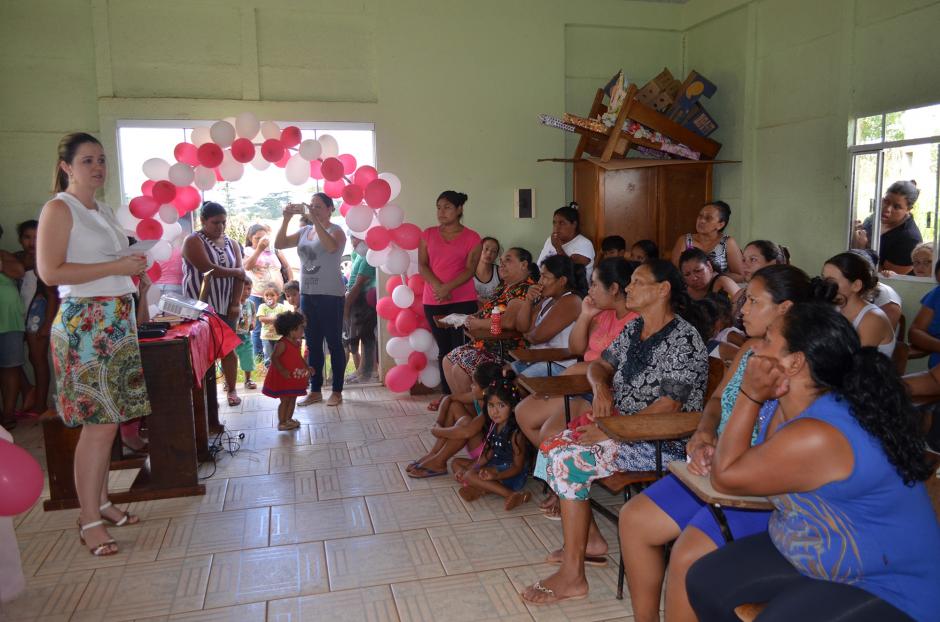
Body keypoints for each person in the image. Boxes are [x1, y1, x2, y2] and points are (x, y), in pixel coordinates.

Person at [686, 303, 940, 622]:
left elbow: (726, 477)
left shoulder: (820, 433)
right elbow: (751, 467)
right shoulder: (794, 409)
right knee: (706, 582)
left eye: (767, 340)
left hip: (889, 582)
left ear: (794, 363)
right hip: (818, 550)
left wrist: (750, 395)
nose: (754, 350)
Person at [618, 264, 838, 622]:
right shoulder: (750, 349)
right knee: (634, 519)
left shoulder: (798, 371)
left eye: (753, 301)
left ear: (784, 309)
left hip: (758, 490)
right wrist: (704, 433)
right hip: (716, 465)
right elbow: (718, 401)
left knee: (688, 554)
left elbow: (776, 458)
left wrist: (721, 454)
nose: (742, 309)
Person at [520, 259, 709, 605]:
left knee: (568, 459)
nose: (629, 288)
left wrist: (612, 432)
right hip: (622, 425)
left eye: (638, 282)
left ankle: (574, 575)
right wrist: (601, 389)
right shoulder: (636, 328)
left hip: (662, 440)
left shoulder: (684, 339)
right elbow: (600, 365)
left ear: (663, 290)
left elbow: (668, 407)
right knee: (552, 445)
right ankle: (589, 541)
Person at [37, 132, 150, 556]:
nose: (98, 167)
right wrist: (117, 266)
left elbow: (109, 264)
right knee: (98, 426)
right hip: (86, 322)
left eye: (101, 159)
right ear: (66, 166)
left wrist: (131, 266)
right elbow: (50, 272)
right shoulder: (59, 208)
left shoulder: (100, 210)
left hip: (115, 319)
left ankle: (101, 502)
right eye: (87, 160)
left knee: (109, 421)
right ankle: (88, 520)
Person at [516, 257, 639, 518]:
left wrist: (582, 370)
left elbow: (619, 371)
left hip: (603, 394)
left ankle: (565, 489)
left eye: (594, 285)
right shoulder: (602, 313)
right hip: (580, 385)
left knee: (550, 432)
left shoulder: (635, 321)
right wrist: (585, 315)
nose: (589, 290)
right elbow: (576, 348)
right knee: (523, 413)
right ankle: (562, 481)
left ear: (614, 289)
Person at [275, 193, 346, 407]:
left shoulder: (336, 231)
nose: (314, 209)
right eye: (311, 206)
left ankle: (337, 391)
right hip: (308, 294)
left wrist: (316, 221)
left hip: (331, 295)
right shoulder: (305, 231)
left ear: (330, 209)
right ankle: (315, 390)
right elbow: (279, 243)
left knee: (334, 343)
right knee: (313, 345)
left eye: (318, 206)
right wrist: (286, 219)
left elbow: (331, 247)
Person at [442, 247, 538, 396]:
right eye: (501, 261)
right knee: (447, 360)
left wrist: (477, 323)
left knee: (459, 369)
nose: (502, 264)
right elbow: (488, 310)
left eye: (508, 260)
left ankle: (476, 409)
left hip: (504, 350)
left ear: (524, 265)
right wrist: (467, 318)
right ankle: (462, 408)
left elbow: (508, 322)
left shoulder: (524, 288)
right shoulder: (504, 286)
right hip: (485, 343)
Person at [419, 191, 482, 409]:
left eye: (446, 207)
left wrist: (448, 287)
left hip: (462, 300)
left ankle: (464, 399)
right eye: (438, 207)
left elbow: (470, 269)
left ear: (459, 209)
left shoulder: (472, 237)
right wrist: (439, 287)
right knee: (444, 350)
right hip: (434, 300)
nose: (441, 212)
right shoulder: (428, 234)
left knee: (461, 349)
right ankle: (447, 397)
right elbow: (423, 265)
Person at [181, 201, 248, 407]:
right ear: (203, 220)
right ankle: (207, 398)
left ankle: (232, 389)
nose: (220, 227)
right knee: (203, 351)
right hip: (200, 306)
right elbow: (208, 269)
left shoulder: (232, 243)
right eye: (215, 222)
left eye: (223, 222)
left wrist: (235, 303)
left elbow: (240, 277)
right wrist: (237, 272)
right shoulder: (193, 241)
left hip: (226, 304)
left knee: (228, 349)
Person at [406, 361, 503, 478]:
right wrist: (439, 422)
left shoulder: (492, 408)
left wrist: (437, 430)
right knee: (454, 406)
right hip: (482, 444)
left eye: (474, 384)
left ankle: (438, 462)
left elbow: (466, 432)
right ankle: (434, 453)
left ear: (485, 390)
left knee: (465, 423)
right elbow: (449, 398)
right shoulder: (480, 396)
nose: (471, 386)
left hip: (485, 455)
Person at [451, 370, 531, 510]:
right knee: (456, 463)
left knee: (470, 475)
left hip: (510, 474)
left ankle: (511, 494)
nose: (495, 411)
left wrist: (496, 475)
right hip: (495, 466)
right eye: (491, 405)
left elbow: (517, 467)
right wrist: (469, 468)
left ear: (513, 407)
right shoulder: (494, 425)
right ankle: (481, 488)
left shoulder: (515, 433)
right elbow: (487, 455)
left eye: (501, 405)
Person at [511, 255, 584, 377]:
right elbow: (522, 327)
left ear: (562, 281)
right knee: (503, 373)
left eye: (545, 277)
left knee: (517, 382)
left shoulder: (571, 300)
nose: (540, 282)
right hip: (537, 358)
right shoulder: (547, 300)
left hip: (558, 364)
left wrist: (529, 333)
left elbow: (536, 337)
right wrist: (528, 301)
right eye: (540, 276)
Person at [17, 219, 60, 415]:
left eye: (36, 237)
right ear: (20, 239)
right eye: (27, 237)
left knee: (38, 359)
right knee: (22, 359)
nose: (32, 242)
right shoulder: (17, 259)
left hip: (38, 315)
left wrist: (48, 323)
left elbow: (52, 295)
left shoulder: (44, 260)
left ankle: (41, 404)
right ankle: (31, 392)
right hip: (23, 314)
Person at [823, 252, 895, 356]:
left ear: (856, 285)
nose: (824, 285)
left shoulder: (873, 318)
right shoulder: (834, 309)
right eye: (823, 279)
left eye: (831, 281)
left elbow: (852, 361)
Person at [854, 180, 923, 275]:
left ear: (908, 210)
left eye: (896, 207)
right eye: (886, 201)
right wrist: (855, 231)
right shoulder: (874, 218)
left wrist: (862, 248)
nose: (887, 209)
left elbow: (886, 278)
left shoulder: (910, 239)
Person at [244, 223, 292, 359]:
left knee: (278, 323)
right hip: (258, 295)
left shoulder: (274, 250)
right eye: (257, 238)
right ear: (250, 238)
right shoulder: (247, 251)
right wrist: (259, 249)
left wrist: (290, 282)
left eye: (263, 237)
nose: (261, 241)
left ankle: (278, 353)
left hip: (277, 294)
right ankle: (259, 355)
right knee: (259, 326)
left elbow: (287, 267)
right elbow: (247, 266)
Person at [261, 311, 312, 431]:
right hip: (284, 378)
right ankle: (282, 422)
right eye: (301, 328)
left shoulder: (296, 343)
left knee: (293, 398)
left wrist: (307, 367)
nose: (303, 330)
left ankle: (288, 419)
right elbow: (274, 357)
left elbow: (298, 357)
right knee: (285, 400)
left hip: (292, 377)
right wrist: (282, 370)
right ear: (291, 330)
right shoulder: (282, 344)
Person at [670, 201, 744, 281]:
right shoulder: (684, 241)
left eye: (708, 218)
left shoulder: (728, 242)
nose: (702, 221)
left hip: (717, 287)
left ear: (720, 225)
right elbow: (674, 273)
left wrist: (714, 277)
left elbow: (740, 276)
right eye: (700, 216)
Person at [0, 226, 25, 429]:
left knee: (11, 367)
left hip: (9, 319)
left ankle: (8, 414)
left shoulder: (5, 256)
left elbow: (18, 271)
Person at [344, 235, 377, 384]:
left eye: (356, 238)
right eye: (351, 238)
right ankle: (361, 370)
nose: (353, 241)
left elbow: (358, 286)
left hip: (364, 300)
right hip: (356, 300)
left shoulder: (368, 257)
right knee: (363, 337)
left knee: (367, 337)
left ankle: (368, 372)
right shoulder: (358, 254)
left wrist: (346, 307)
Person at [536, 203, 596, 282]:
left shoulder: (584, 244)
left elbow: (572, 271)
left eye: (562, 223)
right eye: (554, 223)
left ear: (574, 224)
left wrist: (558, 248)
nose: (556, 227)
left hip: (573, 288)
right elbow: (540, 266)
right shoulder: (550, 240)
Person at [256, 285, 290, 367]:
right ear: (263, 297)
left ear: (277, 296)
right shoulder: (262, 307)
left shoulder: (282, 307)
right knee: (268, 355)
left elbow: (285, 318)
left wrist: (270, 319)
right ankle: (269, 370)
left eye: (272, 295)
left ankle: (279, 370)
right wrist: (276, 319)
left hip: (279, 336)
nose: (269, 297)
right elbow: (261, 318)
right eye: (267, 295)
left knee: (279, 355)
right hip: (266, 336)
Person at [234, 285, 257, 390]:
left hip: (246, 337)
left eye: (249, 289)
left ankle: (248, 379)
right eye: (243, 288)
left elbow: (254, 314)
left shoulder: (251, 303)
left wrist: (253, 322)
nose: (247, 292)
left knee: (248, 358)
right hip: (232, 338)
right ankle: (227, 381)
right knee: (230, 360)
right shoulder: (233, 303)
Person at [473, 236, 501, 302]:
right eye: (486, 249)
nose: (489, 253)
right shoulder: (468, 271)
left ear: (496, 255)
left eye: (494, 251)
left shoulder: (500, 272)